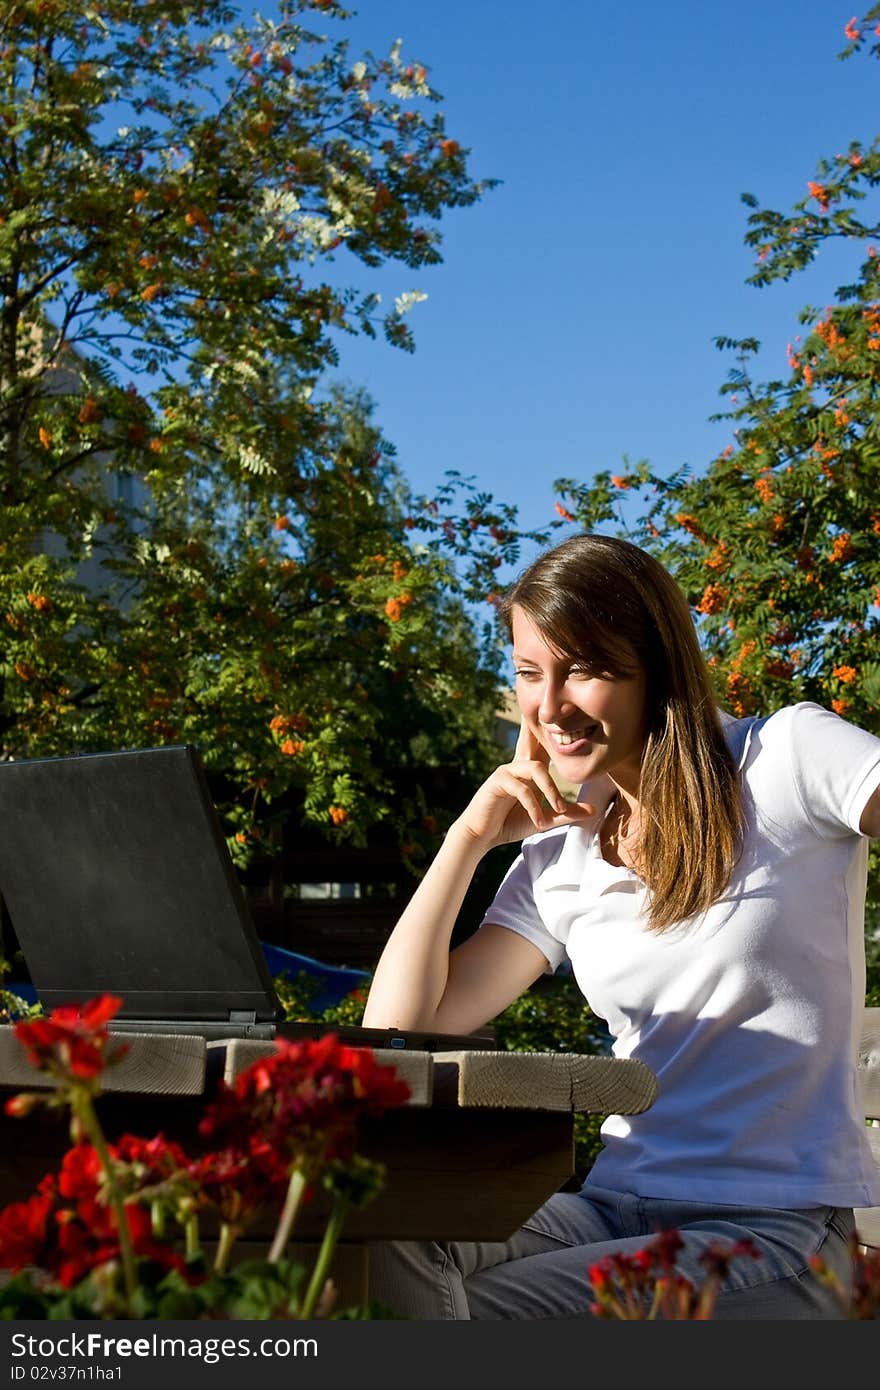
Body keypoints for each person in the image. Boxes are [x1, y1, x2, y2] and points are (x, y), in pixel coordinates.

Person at [361, 532, 880, 1320]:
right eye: (531, 673)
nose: (550, 704)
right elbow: (399, 1032)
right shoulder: (560, 852)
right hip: (611, 1209)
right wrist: (463, 842)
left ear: (656, 669)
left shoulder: (786, 758)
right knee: (377, 1220)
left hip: (777, 1228)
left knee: (495, 1315)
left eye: (583, 669)